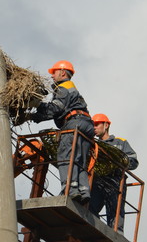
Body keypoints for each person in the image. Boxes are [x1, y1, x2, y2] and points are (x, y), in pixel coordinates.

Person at [29, 60, 95, 204]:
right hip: (86, 124)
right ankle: (83, 191)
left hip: (74, 123)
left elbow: (55, 109)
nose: (52, 76)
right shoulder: (72, 88)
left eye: (54, 72)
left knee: (65, 156)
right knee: (79, 159)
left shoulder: (63, 88)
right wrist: (38, 114)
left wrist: (35, 108)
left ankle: (69, 189)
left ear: (63, 72)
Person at [89, 113, 138, 232]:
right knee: (90, 207)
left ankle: (116, 235)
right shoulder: (93, 144)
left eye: (97, 124)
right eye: (92, 125)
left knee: (115, 214)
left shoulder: (120, 142)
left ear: (106, 125)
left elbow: (133, 161)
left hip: (115, 182)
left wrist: (118, 162)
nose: (94, 127)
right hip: (99, 181)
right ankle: (95, 231)